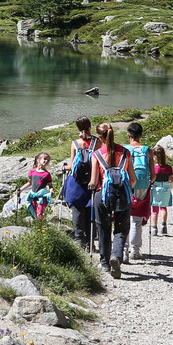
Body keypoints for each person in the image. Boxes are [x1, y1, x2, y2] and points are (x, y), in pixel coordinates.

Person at [90, 121, 134, 278]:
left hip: (102, 195)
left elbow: (94, 182)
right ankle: (116, 255)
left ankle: (105, 262)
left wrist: (90, 185)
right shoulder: (125, 152)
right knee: (122, 228)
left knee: (103, 227)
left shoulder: (96, 154)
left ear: (100, 137)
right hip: (122, 194)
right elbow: (133, 179)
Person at [61, 116, 99, 247]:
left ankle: (79, 240)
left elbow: (72, 166)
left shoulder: (75, 143)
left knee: (77, 211)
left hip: (76, 183)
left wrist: (64, 167)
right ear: (90, 126)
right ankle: (90, 240)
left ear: (77, 128)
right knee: (90, 212)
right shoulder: (96, 142)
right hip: (92, 181)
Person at [125, 122, 151, 260]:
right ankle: (135, 251)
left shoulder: (124, 149)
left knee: (124, 218)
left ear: (128, 135)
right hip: (142, 185)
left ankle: (124, 250)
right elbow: (153, 174)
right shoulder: (147, 149)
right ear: (141, 135)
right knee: (137, 219)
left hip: (127, 185)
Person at [149, 145, 173, 235]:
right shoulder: (169, 168)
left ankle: (154, 228)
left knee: (155, 210)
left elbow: (152, 178)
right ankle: (164, 225)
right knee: (164, 207)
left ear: (155, 157)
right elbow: (171, 179)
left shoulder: (154, 168)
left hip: (156, 189)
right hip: (166, 189)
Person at [22, 152, 54, 219]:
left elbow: (50, 185)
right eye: (44, 159)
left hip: (42, 197)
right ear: (38, 160)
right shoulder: (32, 171)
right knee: (33, 213)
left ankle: (40, 226)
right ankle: (37, 226)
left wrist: (51, 191)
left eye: (48, 160)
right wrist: (20, 189)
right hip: (33, 195)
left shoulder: (47, 174)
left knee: (40, 214)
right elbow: (29, 183)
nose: (46, 161)